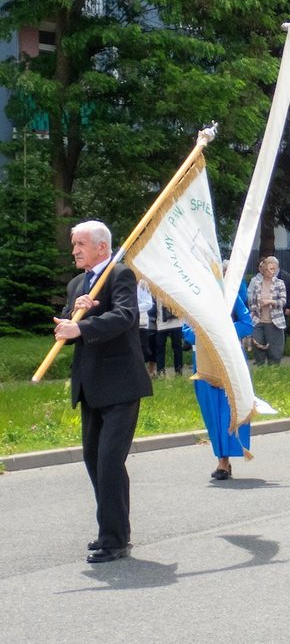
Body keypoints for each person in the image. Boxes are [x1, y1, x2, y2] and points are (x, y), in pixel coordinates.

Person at [53, 220, 152, 563]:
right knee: (94, 459)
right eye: (74, 244)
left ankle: (114, 541)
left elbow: (125, 316)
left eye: (80, 244)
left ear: (101, 247)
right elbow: (66, 328)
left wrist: (81, 327)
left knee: (110, 461)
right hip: (91, 385)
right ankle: (113, 530)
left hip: (121, 384)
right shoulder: (77, 284)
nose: (74, 250)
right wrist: (72, 315)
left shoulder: (119, 275)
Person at [183, 295, 253, 481]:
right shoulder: (193, 295)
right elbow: (186, 331)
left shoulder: (230, 294)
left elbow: (247, 323)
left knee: (228, 411)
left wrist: (223, 332)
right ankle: (222, 459)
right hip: (204, 362)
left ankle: (225, 460)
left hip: (230, 360)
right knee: (212, 412)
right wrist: (207, 334)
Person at [247, 256, 287, 366]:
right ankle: (260, 367)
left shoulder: (280, 283)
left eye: (274, 269)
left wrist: (270, 301)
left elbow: (283, 301)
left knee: (274, 351)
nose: (272, 271)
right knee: (257, 344)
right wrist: (252, 312)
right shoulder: (257, 284)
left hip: (274, 321)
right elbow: (253, 303)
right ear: (264, 269)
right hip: (258, 320)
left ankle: (273, 370)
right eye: (270, 269)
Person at [153, 296, 184, 377]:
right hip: (176, 322)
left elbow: (153, 307)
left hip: (163, 324)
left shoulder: (157, 291)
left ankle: (161, 372)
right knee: (177, 348)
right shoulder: (174, 291)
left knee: (160, 349)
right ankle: (178, 371)